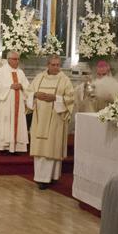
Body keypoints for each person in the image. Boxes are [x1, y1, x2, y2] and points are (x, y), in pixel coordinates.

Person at [27, 55, 75, 189]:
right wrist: (35, 95)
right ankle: (41, 178)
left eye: (58, 65)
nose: (56, 67)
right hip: (39, 119)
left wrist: (55, 98)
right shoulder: (39, 77)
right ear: (47, 65)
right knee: (41, 149)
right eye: (53, 65)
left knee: (51, 148)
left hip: (55, 119)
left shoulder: (64, 80)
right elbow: (28, 93)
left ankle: (52, 177)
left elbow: (70, 98)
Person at [0, 51, 29, 153]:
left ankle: (17, 148)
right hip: (5, 104)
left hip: (18, 104)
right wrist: (10, 86)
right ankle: (3, 148)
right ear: (9, 60)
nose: (17, 62)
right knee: (6, 124)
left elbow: (28, 87)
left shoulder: (20, 72)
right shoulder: (1, 72)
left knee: (18, 124)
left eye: (18, 59)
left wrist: (22, 86)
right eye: (15, 59)